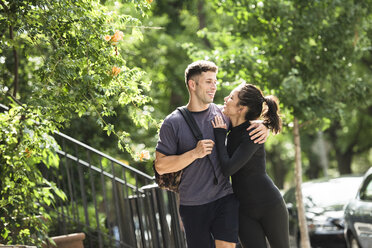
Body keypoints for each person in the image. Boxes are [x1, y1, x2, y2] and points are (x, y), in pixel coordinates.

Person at [154, 61, 269, 248]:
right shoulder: (172, 123)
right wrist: (194, 153)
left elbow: (248, 120)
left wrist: (265, 126)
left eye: (215, 81)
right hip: (192, 204)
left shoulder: (222, 114)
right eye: (208, 81)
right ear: (193, 85)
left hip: (224, 197)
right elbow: (160, 165)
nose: (214, 86)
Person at [212, 83, 290, 248]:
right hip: (244, 210)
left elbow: (228, 169)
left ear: (241, 109)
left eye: (231, 97)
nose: (225, 99)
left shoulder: (253, 132)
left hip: (270, 205)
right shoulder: (230, 127)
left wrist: (219, 136)